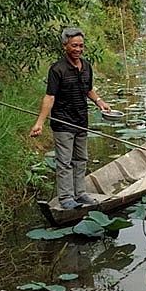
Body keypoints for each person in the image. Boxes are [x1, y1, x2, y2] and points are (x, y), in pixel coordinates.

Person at [30, 28, 111, 210]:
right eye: (74, 45)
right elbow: (50, 97)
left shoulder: (86, 66)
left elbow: (88, 89)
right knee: (64, 162)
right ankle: (66, 197)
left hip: (81, 120)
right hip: (63, 122)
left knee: (81, 159)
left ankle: (80, 193)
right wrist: (39, 123)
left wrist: (100, 102)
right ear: (65, 46)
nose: (78, 49)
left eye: (81, 46)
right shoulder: (57, 69)